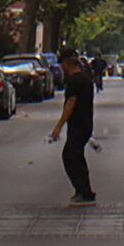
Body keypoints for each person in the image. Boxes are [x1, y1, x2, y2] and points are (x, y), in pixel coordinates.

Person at [49, 47, 96, 205]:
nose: (61, 67)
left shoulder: (74, 81)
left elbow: (70, 104)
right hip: (85, 123)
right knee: (75, 156)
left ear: (67, 63)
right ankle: (83, 190)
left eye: (62, 63)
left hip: (78, 125)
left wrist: (58, 127)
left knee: (71, 157)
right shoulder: (86, 78)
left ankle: (84, 192)